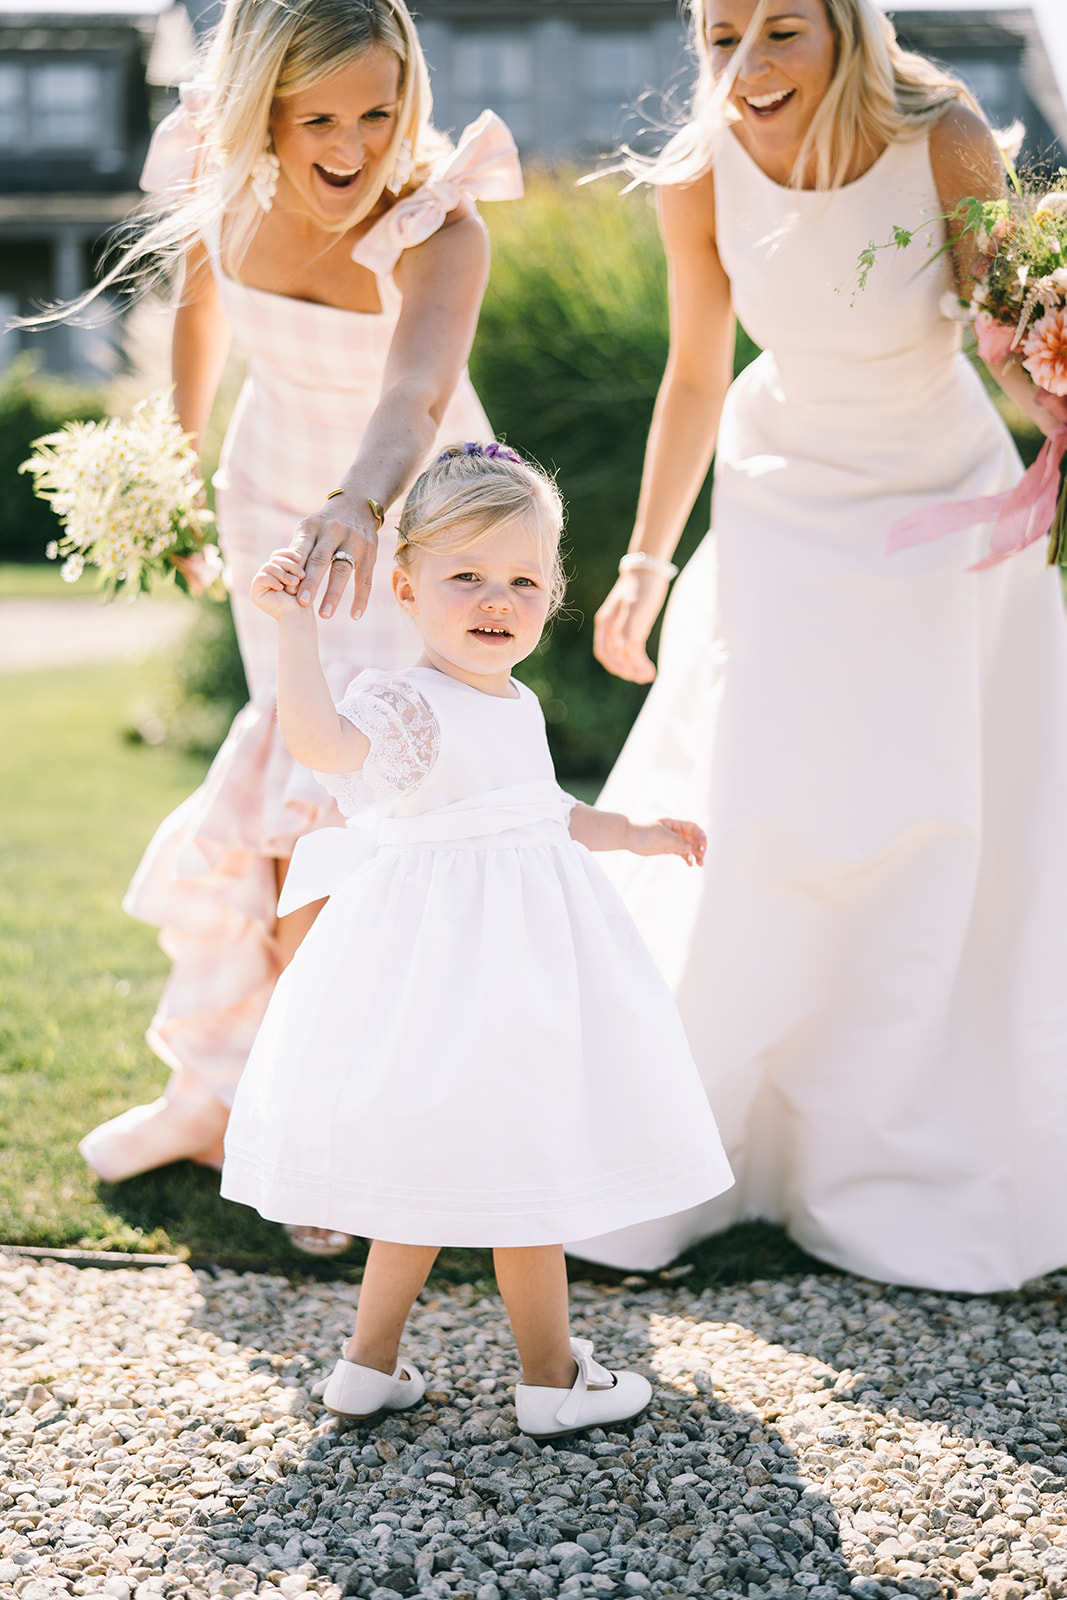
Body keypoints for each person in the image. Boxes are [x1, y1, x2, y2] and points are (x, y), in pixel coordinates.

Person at [576, 0, 1067, 1292]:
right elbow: (691, 373)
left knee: (928, 811)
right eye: (718, 37)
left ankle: (881, 1143)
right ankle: (717, 1138)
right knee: (768, 803)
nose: (742, 68)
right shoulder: (696, 174)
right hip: (781, 503)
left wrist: (1054, 391)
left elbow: (1004, 332)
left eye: (776, 31)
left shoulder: (944, 135)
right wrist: (642, 561)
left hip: (940, 505)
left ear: (844, 27)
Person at [75, 0, 523, 1254]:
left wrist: (359, 511)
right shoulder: (222, 192)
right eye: (318, 116)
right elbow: (201, 316)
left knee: (370, 818)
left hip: (410, 525)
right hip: (274, 497)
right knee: (284, 818)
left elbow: (416, 393)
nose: (351, 143)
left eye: (377, 112)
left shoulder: (441, 223)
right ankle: (239, 1092)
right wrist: (170, 447)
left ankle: (351, 1131)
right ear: (265, 106)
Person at [218, 443, 733, 1432]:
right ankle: (549, 1378)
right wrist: (294, 635)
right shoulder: (407, 701)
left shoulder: (513, 699)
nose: (496, 599)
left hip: (514, 963)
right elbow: (325, 748)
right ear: (404, 589)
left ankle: (367, 1366)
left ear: (550, 595)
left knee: (436, 1172)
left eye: (522, 580)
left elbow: (538, 810)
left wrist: (635, 832)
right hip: (459, 974)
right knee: (519, 1166)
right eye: (466, 577)